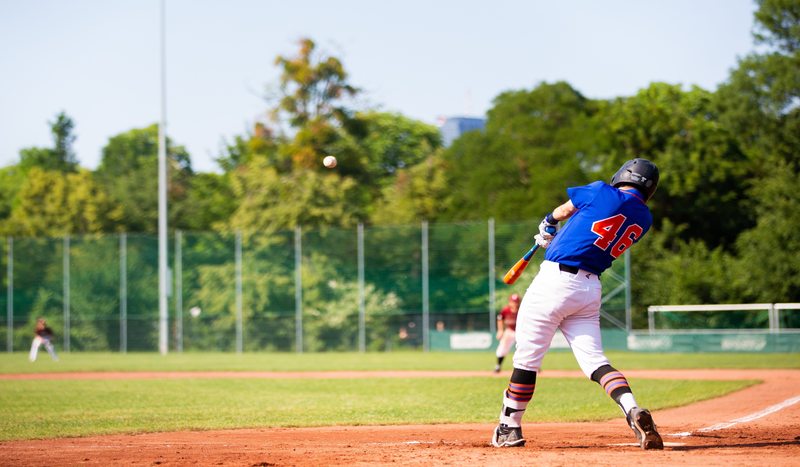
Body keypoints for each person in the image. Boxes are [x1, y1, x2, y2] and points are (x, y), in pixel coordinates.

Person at [491, 158, 663, 450]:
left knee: (527, 361)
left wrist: (548, 223)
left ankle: (509, 427)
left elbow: (565, 210)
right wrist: (556, 237)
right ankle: (632, 408)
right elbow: (590, 228)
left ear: (622, 175)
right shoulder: (644, 218)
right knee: (596, 362)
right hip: (589, 288)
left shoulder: (600, 191)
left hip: (554, 282)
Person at [494, 293, 521, 373]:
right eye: (513, 302)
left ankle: (534, 368)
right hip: (509, 331)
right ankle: (498, 366)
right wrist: (500, 330)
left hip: (520, 332)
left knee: (526, 348)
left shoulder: (522, 309)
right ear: (509, 302)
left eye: (516, 302)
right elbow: (500, 318)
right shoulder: (506, 310)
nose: (514, 303)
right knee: (502, 348)